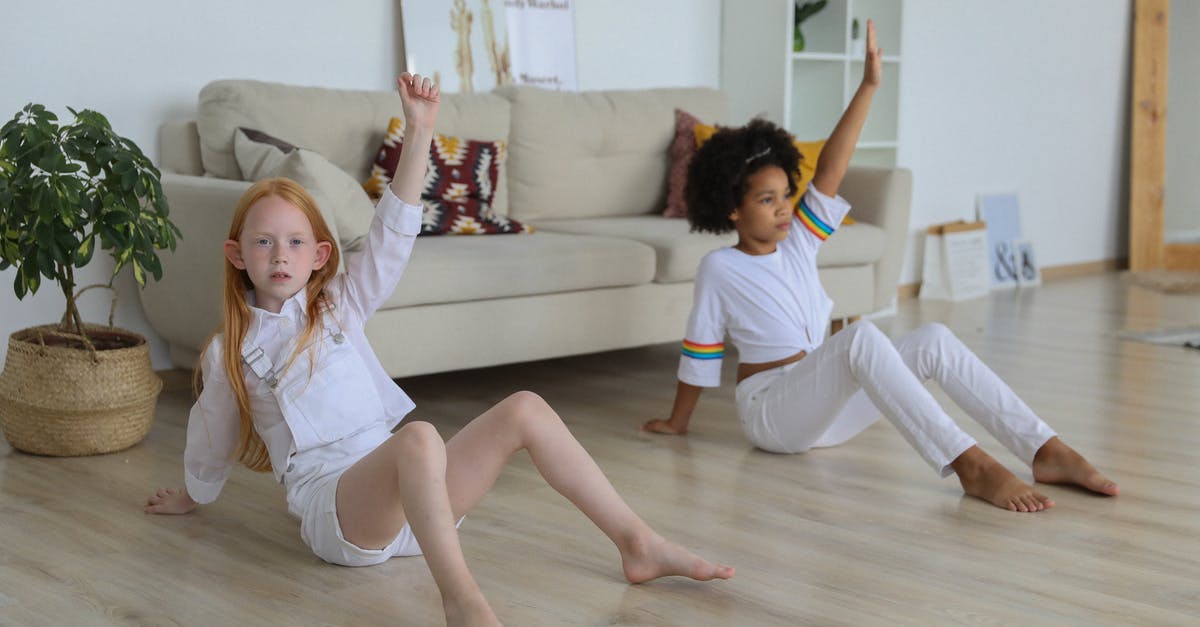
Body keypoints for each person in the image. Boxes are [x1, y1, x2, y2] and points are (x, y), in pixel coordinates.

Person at [146, 73, 733, 627]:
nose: (281, 254)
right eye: (264, 242)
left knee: (525, 408)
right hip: (339, 514)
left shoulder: (339, 304)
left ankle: (638, 542)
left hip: (416, 505)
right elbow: (212, 430)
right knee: (421, 436)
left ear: (319, 256)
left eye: (296, 242)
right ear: (236, 254)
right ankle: (462, 601)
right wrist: (193, 495)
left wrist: (420, 129)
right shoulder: (230, 349)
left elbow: (392, 235)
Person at [642, 22, 1118, 513]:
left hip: (825, 411)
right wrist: (678, 423)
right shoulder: (719, 268)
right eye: (767, 200)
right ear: (731, 210)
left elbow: (831, 168)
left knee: (932, 339)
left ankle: (1043, 448)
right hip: (773, 415)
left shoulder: (799, 242)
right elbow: (700, 350)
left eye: (785, 195)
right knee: (860, 337)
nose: (784, 208)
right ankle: (969, 464)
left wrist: (869, 86)